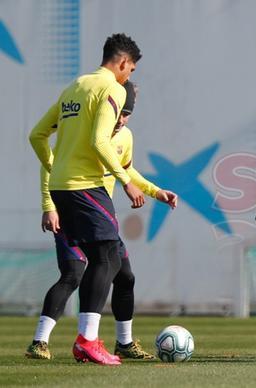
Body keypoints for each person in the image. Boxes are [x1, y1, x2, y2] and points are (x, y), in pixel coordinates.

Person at [25, 81, 178, 361]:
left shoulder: (125, 137)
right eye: (119, 112)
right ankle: (40, 342)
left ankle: (124, 343)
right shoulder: (83, 134)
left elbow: (128, 173)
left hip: (100, 217)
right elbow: (54, 167)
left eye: (127, 114)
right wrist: (49, 205)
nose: (121, 120)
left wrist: (157, 191)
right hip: (73, 210)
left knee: (125, 277)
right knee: (73, 273)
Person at [29, 33, 145, 365]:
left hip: (62, 187)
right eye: (131, 69)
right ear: (122, 62)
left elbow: (37, 134)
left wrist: (55, 165)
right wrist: (126, 182)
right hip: (86, 186)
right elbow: (99, 141)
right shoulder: (112, 88)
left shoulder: (75, 87)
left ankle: (98, 340)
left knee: (110, 264)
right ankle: (87, 341)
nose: (129, 77)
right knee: (107, 258)